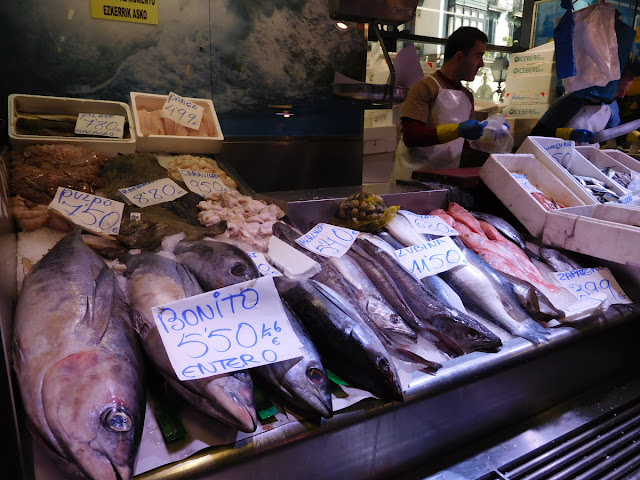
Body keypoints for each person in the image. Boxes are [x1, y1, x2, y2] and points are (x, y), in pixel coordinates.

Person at [389, 26, 489, 183]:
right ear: (459, 57)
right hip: (411, 181)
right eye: (478, 56)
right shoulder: (424, 88)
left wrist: (491, 139)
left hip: (445, 181)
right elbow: (411, 135)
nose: (482, 64)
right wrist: (458, 130)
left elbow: (464, 147)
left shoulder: (467, 96)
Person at [530, 65, 636, 144]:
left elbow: (611, 134)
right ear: (607, 86)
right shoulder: (570, 102)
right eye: (620, 90)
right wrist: (568, 134)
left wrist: (632, 136)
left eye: (625, 91)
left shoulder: (612, 107)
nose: (622, 96)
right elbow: (536, 134)